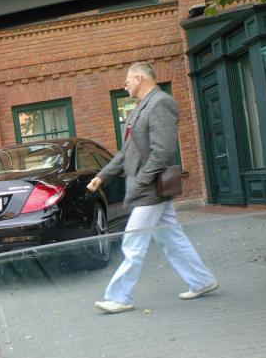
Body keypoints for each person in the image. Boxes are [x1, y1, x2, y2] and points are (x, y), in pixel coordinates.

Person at [87, 62, 218, 314]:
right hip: (151, 187)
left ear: (138, 79)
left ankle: (120, 297)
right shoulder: (140, 108)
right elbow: (127, 152)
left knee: (132, 241)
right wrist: (102, 177)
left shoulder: (161, 103)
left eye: (127, 81)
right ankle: (203, 281)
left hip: (151, 189)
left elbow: (164, 151)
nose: (124, 86)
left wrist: (142, 180)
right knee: (172, 239)